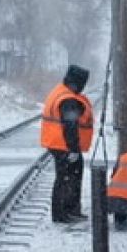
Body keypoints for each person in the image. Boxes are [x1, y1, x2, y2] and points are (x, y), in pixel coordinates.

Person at [41, 64, 94, 224]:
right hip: (64, 145)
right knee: (68, 179)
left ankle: (67, 212)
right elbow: (70, 126)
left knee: (65, 178)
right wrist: (73, 149)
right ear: (78, 82)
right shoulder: (68, 99)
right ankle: (65, 214)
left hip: (59, 144)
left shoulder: (61, 92)